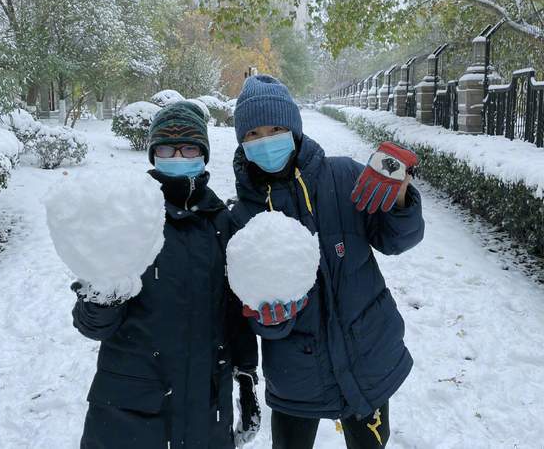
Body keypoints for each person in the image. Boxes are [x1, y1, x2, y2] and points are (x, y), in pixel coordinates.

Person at [230, 75, 425, 449]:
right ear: (242, 141)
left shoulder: (345, 177)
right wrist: (269, 322)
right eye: (253, 134)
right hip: (294, 376)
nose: (266, 140)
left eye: (276, 128)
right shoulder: (242, 218)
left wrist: (400, 196)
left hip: (367, 358)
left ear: (295, 129)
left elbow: (397, 240)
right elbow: (250, 312)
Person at [72, 101, 259, 449]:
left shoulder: (223, 223)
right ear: (153, 154)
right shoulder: (127, 218)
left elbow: (236, 313)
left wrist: (247, 376)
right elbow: (92, 326)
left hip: (207, 408)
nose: (178, 155)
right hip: (132, 412)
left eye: (189, 147)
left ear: (203, 154)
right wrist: (100, 297)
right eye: (166, 148)